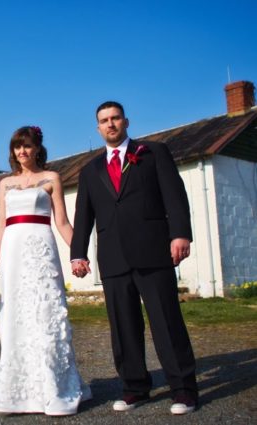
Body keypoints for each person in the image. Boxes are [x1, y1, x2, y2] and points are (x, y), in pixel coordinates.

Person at [70, 101, 198, 415]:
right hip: (113, 259)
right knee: (123, 327)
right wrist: (77, 254)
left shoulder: (154, 153)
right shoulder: (90, 170)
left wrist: (180, 233)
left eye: (115, 118)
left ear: (126, 122)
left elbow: (174, 195)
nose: (110, 124)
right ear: (97, 127)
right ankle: (135, 388)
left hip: (154, 252)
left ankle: (184, 390)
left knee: (167, 323)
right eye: (104, 120)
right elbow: (83, 215)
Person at [0, 126, 91, 416]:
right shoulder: (5, 184)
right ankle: (17, 393)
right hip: (13, 253)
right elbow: (2, 225)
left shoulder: (51, 178)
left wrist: (79, 254)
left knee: (46, 312)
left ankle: (54, 388)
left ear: (37, 149)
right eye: (17, 147)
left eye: (27, 146)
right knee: (14, 316)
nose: (22, 152)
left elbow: (64, 223)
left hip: (41, 250)